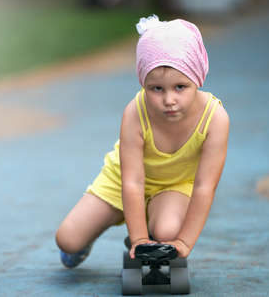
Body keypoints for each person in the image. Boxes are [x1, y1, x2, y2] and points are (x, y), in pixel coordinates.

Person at [55, 15, 229, 268]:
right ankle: (115, 229)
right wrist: (138, 239)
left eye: (180, 87)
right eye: (156, 89)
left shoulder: (215, 119)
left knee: (168, 233)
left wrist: (185, 241)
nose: (169, 99)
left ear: (198, 79)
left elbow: (204, 186)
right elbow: (132, 180)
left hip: (175, 185)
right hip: (123, 179)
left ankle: (154, 225)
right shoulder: (135, 112)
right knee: (67, 239)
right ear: (143, 83)